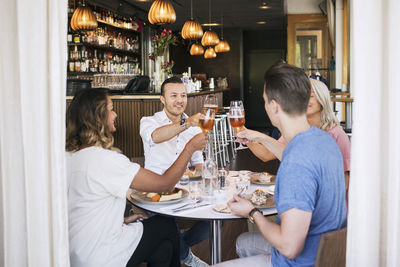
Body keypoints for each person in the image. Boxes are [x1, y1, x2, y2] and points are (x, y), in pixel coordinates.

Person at [215, 63, 347, 266]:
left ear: (274, 106)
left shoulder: (297, 163)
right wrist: (258, 137)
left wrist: (252, 212)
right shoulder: (323, 140)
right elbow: (295, 158)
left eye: (265, 101)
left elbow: (289, 247)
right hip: (327, 255)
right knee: (244, 243)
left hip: (299, 261)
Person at [66, 88, 207, 267]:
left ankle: (180, 251)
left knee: (163, 247)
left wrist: (124, 220)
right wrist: (190, 148)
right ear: (98, 117)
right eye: (111, 109)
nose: (115, 114)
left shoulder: (69, 156)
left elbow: (83, 209)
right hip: (102, 253)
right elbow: (165, 184)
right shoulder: (105, 159)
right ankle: (184, 254)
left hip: (76, 251)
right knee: (166, 225)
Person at [140, 76, 209, 267]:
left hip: (185, 192)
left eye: (183, 95)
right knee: (166, 224)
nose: (180, 100)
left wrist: (203, 175)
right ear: (162, 99)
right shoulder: (149, 122)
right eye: (173, 95)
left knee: (213, 221)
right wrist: (186, 125)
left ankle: (178, 248)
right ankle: (185, 255)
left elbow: (198, 164)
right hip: (156, 192)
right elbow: (155, 137)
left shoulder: (194, 128)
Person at [238, 78, 351, 192]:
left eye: (310, 96)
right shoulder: (296, 130)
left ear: (322, 100)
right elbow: (266, 154)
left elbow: (344, 182)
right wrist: (246, 136)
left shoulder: (336, 134)